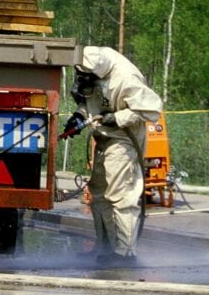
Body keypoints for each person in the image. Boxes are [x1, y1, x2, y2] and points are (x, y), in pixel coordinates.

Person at [62, 46, 163, 266]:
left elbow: (152, 108)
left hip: (124, 138)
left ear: (99, 74)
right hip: (103, 136)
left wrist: (116, 117)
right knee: (99, 191)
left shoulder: (126, 78)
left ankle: (124, 252)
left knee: (120, 193)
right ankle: (104, 248)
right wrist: (78, 117)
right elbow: (86, 101)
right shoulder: (87, 69)